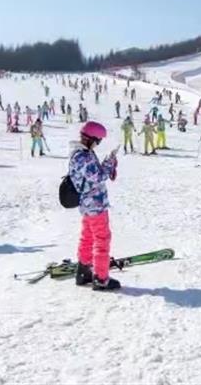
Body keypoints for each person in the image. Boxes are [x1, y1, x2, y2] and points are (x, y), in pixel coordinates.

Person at [67, 122, 121, 291]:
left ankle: (83, 272)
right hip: (95, 204)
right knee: (102, 239)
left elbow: (94, 174)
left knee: (88, 237)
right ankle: (100, 278)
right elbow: (98, 176)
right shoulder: (82, 157)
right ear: (91, 139)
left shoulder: (82, 154)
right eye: (98, 141)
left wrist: (107, 162)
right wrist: (109, 163)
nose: (98, 144)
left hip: (88, 204)